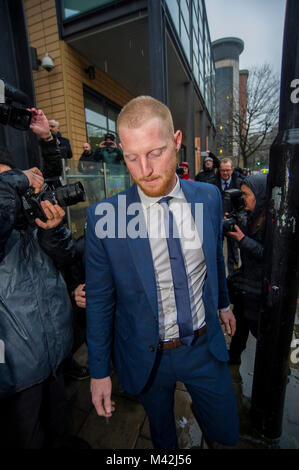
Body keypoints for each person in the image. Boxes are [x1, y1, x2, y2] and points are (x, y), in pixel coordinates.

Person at [85, 95, 239, 449]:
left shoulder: (209, 197)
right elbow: (100, 300)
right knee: (163, 439)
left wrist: (225, 304)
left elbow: (214, 256)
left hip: (203, 346)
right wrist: (98, 371)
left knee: (226, 433)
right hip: (145, 354)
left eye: (155, 152)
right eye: (132, 157)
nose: (144, 170)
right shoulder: (105, 218)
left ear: (177, 141)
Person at [0, 108, 76, 449]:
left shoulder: (26, 218)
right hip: (16, 370)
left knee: (59, 424)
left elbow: (63, 256)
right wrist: (15, 179)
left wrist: (47, 139)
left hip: (54, 349)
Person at [225, 173, 267, 365]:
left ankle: (272, 367)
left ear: (260, 195)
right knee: (240, 322)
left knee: (259, 329)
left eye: (246, 195)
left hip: (259, 287)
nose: (243, 199)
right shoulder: (252, 214)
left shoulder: (271, 221)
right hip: (246, 282)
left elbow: (269, 255)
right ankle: (233, 358)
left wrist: (242, 240)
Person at [214, 158, 243, 274]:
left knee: (233, 252)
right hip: (217, 221)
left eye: (227, 170)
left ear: (232, 170)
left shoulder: (240, 183)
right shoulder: (213, 183)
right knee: (217, 251)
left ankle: (233, 276)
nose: (225, 173)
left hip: (233, 221)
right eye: (222, 171)